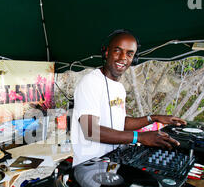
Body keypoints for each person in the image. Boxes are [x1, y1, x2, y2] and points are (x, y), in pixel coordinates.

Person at [70, 30, 187, 167]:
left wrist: (153, 118)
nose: (123, 58)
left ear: (134, 59)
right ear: (106, 52)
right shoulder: (90, 82)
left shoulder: (119, 88)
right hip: (89, 168)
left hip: (112, 163)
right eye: (117, 51)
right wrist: (140, 137)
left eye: (129, 54)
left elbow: (121, 123)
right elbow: (90, 130)